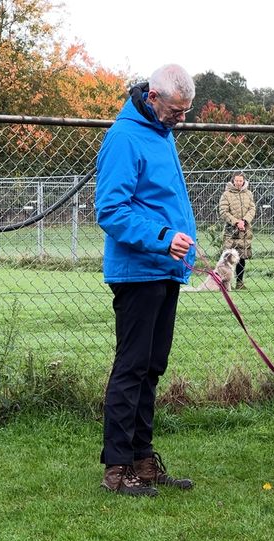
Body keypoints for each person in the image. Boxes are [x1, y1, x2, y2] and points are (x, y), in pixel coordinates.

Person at [94, 63, 197, 497]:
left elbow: (158, 201)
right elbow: (111, 211)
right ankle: (117, 469)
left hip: (165, 269)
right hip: (138, 271)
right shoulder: (124, 137)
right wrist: (161, 237)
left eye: (187, 111)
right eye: (176, 110)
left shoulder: (161, 133)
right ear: (153, 97)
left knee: (152, 368)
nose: (182, 119)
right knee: (132, 368)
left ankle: (142, 459)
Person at [218, 171, 256, 289]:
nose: (238, 183)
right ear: (233, 181)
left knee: (242, 256)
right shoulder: (226, 194)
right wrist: (236, 222)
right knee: (227, 257)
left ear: (243, 181)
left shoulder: (249, 194)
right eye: (236, 181)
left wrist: (244, 221)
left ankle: (240, 282)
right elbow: (223, 211)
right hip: (231, 230)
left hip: (245, 230)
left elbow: (252, 209)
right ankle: (224, 282)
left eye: (240, 180)